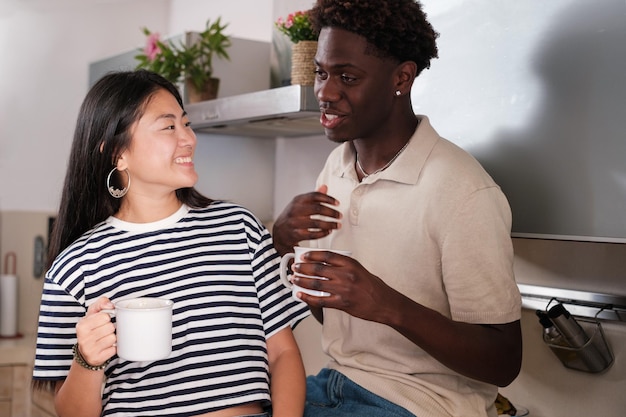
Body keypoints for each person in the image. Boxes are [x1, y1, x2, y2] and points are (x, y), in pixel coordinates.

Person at [271, 1, 523, 416]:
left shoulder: (463, 191)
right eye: (321, 73)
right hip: (335, 383)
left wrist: (386, 303)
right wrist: (284, 244)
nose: (325, 93)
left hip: (418, 403)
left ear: (401, 78)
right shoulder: (337, 165)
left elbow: (503, 361)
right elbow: (336, 321)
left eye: (347, 77)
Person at [32, 69, 309, 417]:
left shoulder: (240, 228)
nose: (189, 138)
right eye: (168, 127)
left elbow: (283, 354)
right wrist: (87, 361)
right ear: (118, 153)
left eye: (186, 123)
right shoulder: (75, 267)